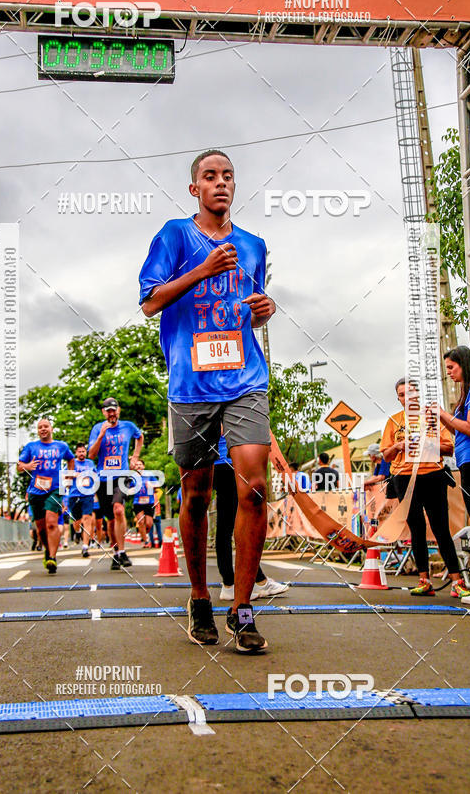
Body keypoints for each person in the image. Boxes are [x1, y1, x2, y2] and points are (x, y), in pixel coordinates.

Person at [139, 149, 275, 653]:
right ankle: (199, 597)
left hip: (245, 378)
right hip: (190, 384)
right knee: (196, 494)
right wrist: (203, 268)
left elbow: (254, 307)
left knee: (254, 485)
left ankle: (242, 607)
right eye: (209, 176)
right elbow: (151, 301)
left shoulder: (255, 244)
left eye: (228, 176)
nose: (220, 183)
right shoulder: (174, 235)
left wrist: (265, 310)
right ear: (194, 189)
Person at [380, 378, 470, 598]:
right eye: (402, 395)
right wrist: (398, 445)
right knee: (416, 528)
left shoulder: (432, 418)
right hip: (404, 478)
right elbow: (385, 454)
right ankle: (424, 580)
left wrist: (426, 444)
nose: (406, 399)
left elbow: (449, 447)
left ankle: (456, 581)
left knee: (441, 528)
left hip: (432, 475)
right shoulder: (393, 421)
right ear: (399, 398)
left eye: (410, 394)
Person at [214, 433, 288, 601]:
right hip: (230, 461)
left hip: (221, 462)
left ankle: (247, 581)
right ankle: (241, 583)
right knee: (239, 525)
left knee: (228, 526)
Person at [88, 397, 143, 570]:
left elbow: (139, 437)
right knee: (110, 520)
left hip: (122, 475)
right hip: (103, 478)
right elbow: (91, 455)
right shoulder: (97, 428)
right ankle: (117, 552)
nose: (111, 413)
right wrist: (101, 435)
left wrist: (134, 457)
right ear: (104, 412)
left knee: (118, 509)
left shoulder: (128, 426)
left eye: (114, 410)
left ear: (118, 410)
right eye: (108, 411)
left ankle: (123, 551)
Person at [17, 418, 74, 574]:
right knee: (41, 528)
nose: (43, 429)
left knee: (51, 522)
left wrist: (68, 477)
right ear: (38, 430)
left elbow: (71, 459)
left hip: (55, 489)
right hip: (35, 491)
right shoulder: (31, 447)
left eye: (46, 426)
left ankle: (53, 557)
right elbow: (19, 466)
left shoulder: (61, 446)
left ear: (51, 428)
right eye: (40, 427)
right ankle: (48, 551)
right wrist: (27, 466)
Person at [438, 346, 470, 535]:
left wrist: (443, 414)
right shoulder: (464, 394)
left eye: (451, 367)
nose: (448, 373)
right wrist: (442, 417)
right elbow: (458, 431)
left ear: (463, 364)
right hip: (464, 458)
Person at [67, 443, 98, 557]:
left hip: (88, 494)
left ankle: (85, 547)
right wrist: (77, 475)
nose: (81, 453)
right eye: (79, 451)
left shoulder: (90, 463)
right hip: (74, 495)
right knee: (77, 521)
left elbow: (95, 476)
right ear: (76, 453)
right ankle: (77, 532)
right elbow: (65, 475)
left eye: (83, 451)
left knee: (87, 519)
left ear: (86, 452)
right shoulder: (72, 463)